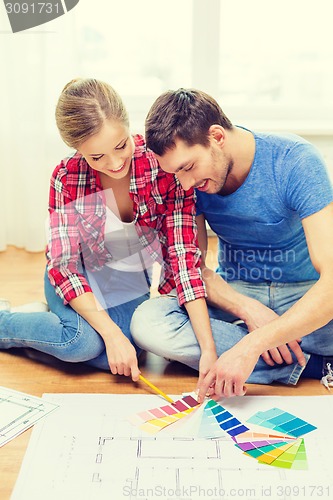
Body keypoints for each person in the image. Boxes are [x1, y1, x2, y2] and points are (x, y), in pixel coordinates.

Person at [0, 79, 218, 382]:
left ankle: (46, 322)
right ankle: (6, 322)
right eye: (97, 157)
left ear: (129, 127)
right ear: (78, 150)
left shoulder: (161, 165)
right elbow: (64, 267)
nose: (115, 163)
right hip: (76, 272)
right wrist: (111, 333)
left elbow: (182, 255)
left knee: (125, 354)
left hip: (124, 273)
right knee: (79, 343)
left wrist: (207, 348)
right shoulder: (67, 177)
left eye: (121, 146)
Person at [130, 87, 333, 398]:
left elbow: (330, 282)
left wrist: (253, 342)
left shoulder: (295, 161)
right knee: (148, 322)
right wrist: (248, 309)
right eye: (176, 173)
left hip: (303, 294)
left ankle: (252, 355)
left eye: (188, 167)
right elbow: (193, 269)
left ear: (217, 137)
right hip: (237, 293)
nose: (185, 184)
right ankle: (309, 364)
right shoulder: (187, 183)